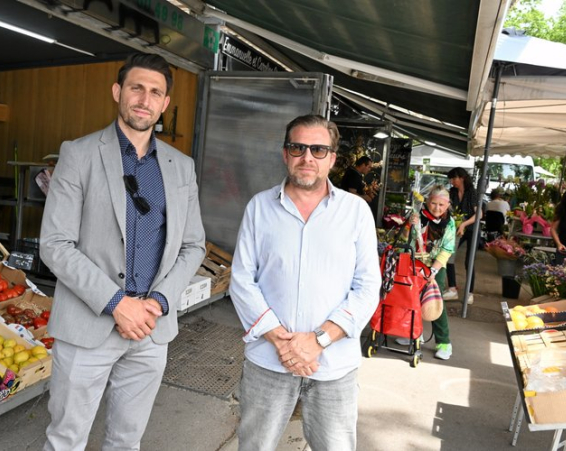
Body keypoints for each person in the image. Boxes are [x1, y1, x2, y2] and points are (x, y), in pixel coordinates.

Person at [39, 53, 206, 451]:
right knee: (66, 440)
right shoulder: (79, 154)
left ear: (165, 104)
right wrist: (117, 303)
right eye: (136, 88)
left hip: (151, 329)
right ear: (118, 92)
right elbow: (55, 244)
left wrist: (160, 302)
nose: (144, 99)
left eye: (155, 92)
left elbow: (192, 244)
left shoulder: (181, 167)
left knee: (126, 442)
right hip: (87, 325)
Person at [230, 114, 381, 450]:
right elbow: (241, 279)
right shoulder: (259, 207)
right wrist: (283, 343)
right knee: (254, 446)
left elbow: (368, 286)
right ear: (286, 154)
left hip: (334, 367)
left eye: (318, 149)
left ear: (332, 158)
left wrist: (318, 340)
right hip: (268, 362)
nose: (307, 157)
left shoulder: (355, 212)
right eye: (298, 148)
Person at [394, 186, 456, 360]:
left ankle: (444, 342)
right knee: (411, 299)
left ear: (448, 205)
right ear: (427, 202)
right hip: (415, 262)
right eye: (433, 203)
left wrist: (434, 270)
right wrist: (409, 225)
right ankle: (414, 334)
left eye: (441, 205)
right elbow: (407, 238)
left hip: (436, 265)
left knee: (435, 302)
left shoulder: (449, 223)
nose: (437, 208)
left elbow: (446, 249)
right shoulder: (418, 215)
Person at [444, 167, 478, 304]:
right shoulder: (452, 192)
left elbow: (479, 214)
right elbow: (449, 208)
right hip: (456, 228)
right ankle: (452, 289)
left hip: (471, 228)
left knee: (469, 261)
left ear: (462, 178)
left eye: (454, 178)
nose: (452, 181)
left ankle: (470, 293)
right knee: (448, 256)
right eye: (451, 179)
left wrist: (464, 224)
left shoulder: (472, 192)